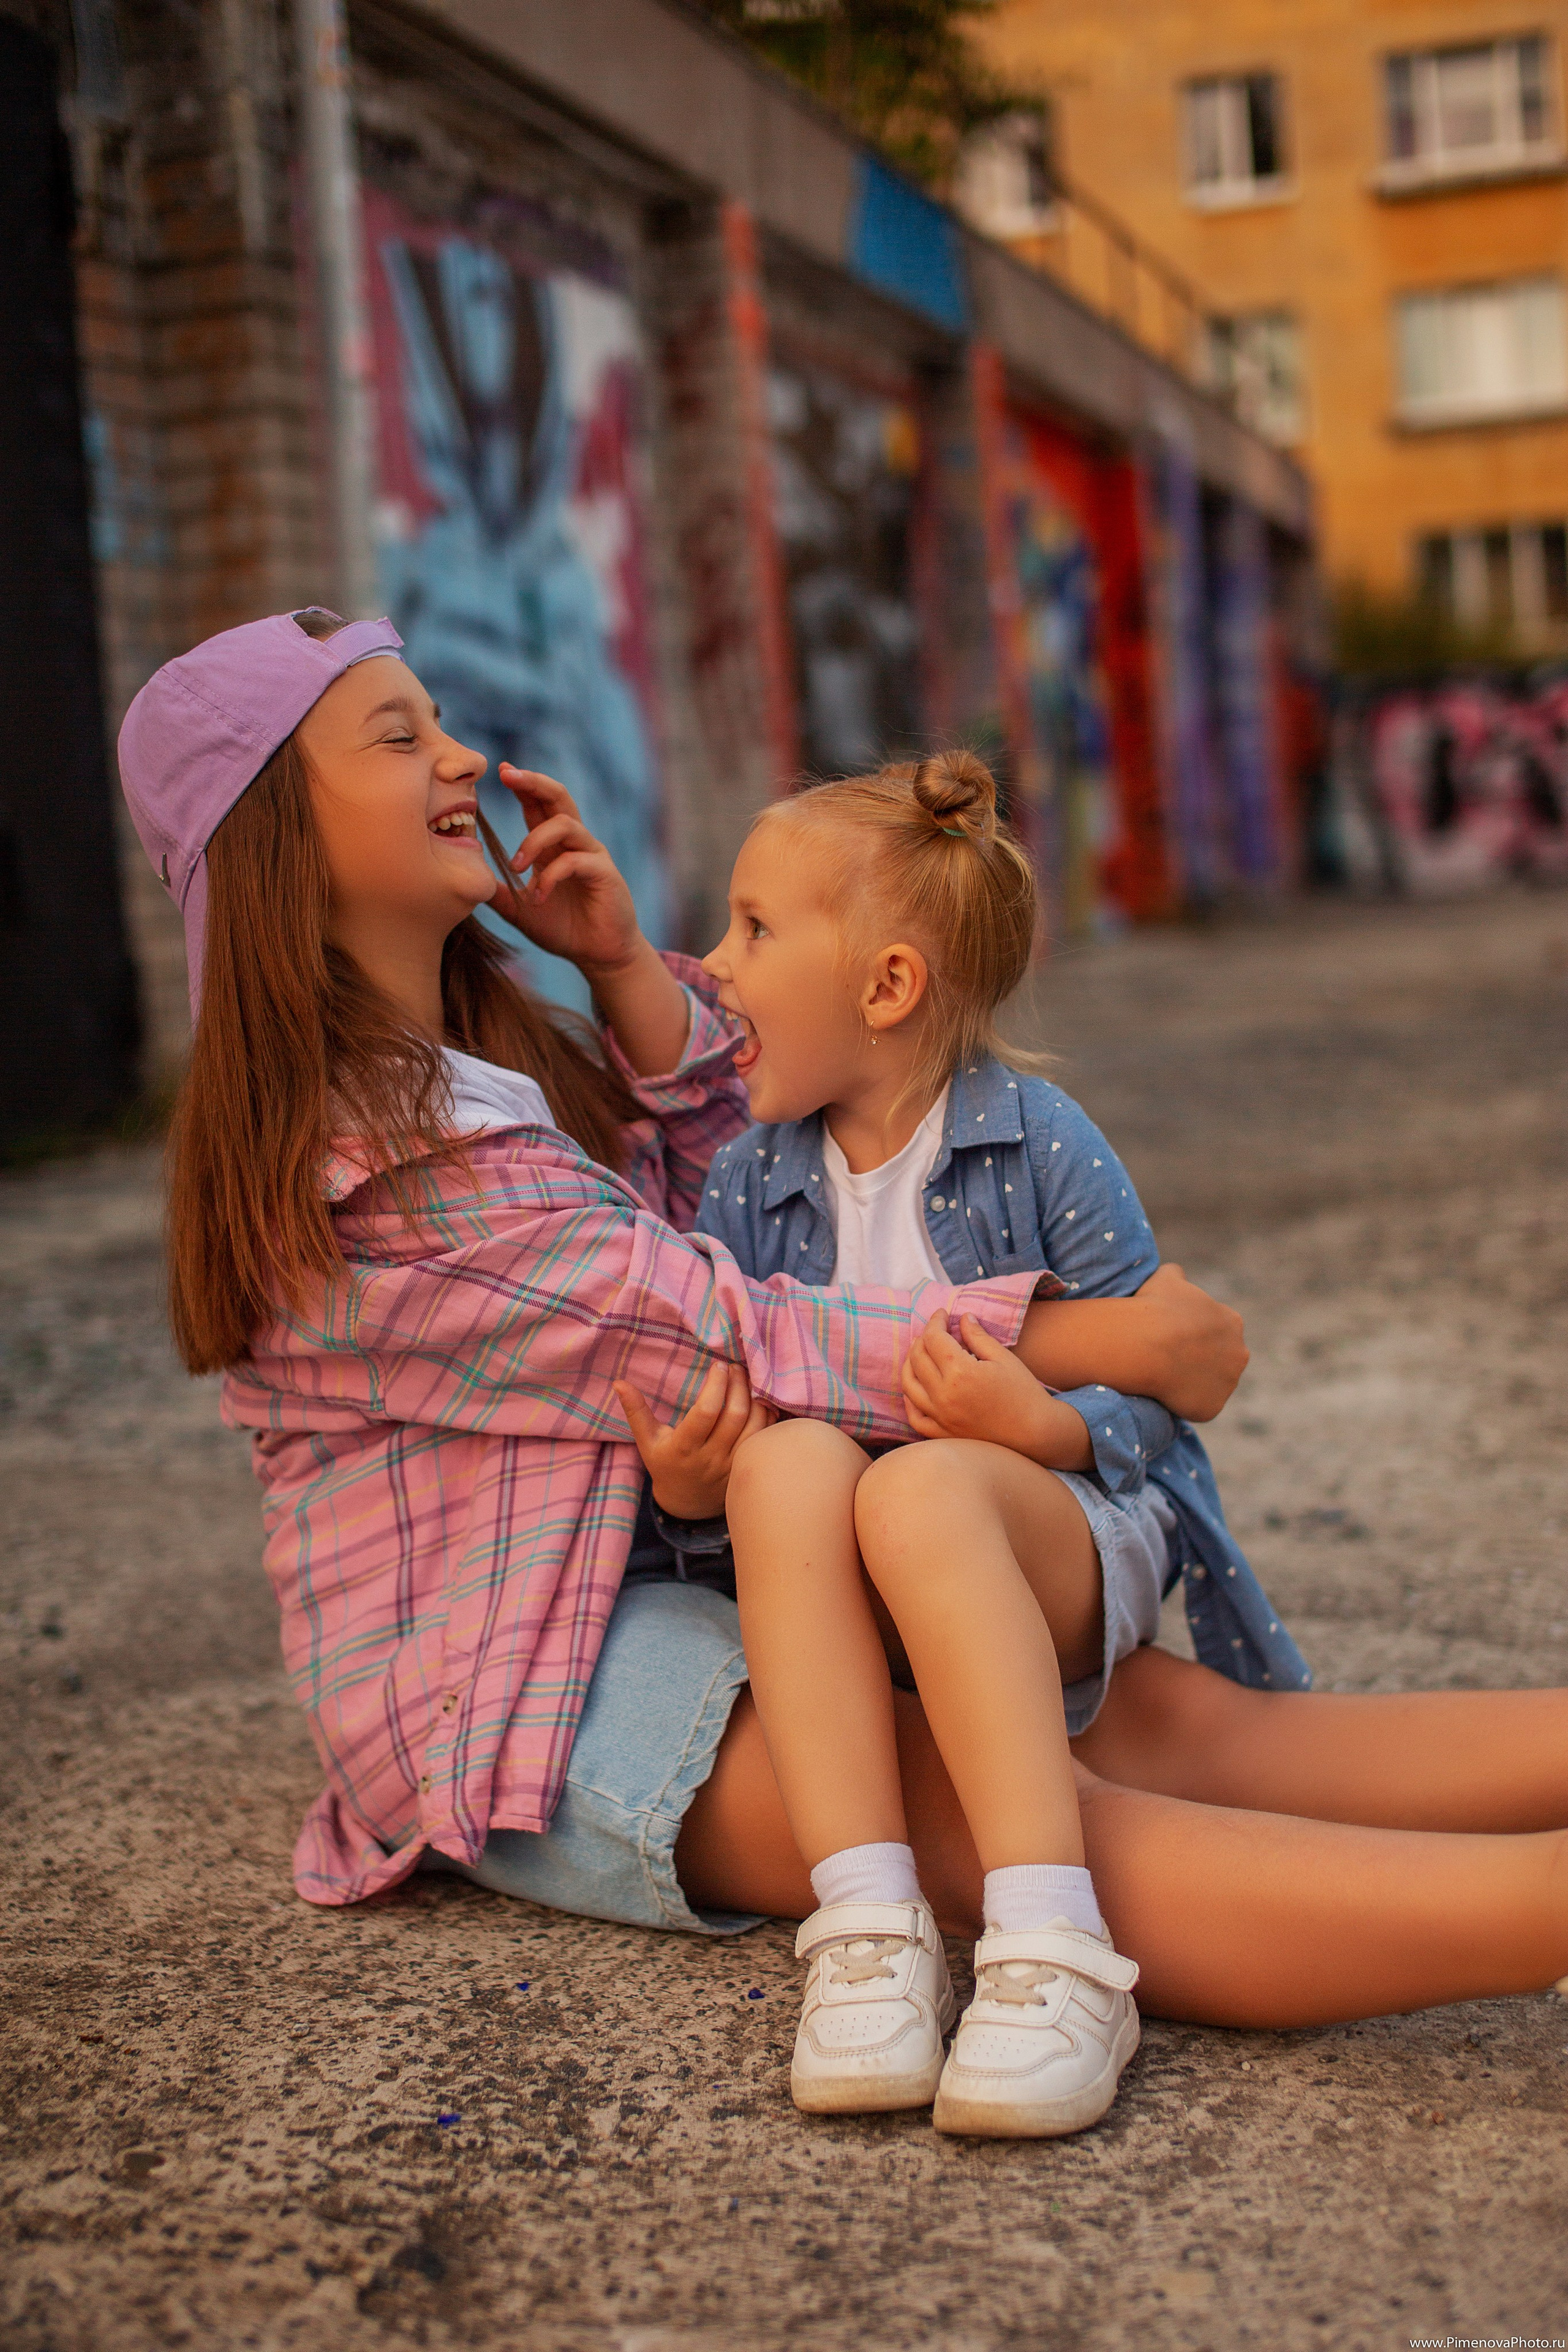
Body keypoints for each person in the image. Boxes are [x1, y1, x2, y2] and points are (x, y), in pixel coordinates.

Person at [116, 611, 1568, 2118]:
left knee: (1173, 1726)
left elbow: (728, 1196)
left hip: (676, 1569)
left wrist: (620, 970)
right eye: (399, 734)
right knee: (996, 1822)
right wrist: (1100, 1339)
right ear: (276, 826)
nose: (465, 759)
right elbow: (735, 1320)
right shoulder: (371, 1167)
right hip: (521, 1684)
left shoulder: (489, 1064)